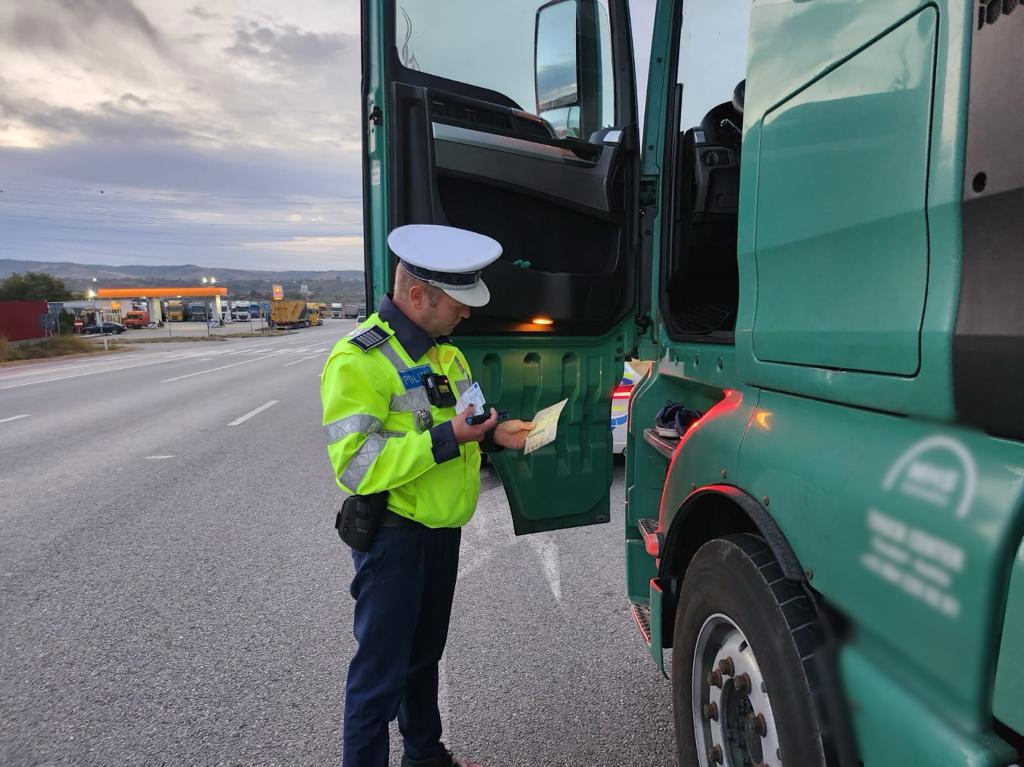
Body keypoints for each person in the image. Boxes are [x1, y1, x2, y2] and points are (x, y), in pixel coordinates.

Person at [321, 224, 534, 767]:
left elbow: (467, 423)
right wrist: (446, 438)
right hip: (393, 537)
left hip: (440, 532)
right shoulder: (358, 360)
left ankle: (424, 757)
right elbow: (356, 465)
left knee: (423, 660)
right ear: (418, 296)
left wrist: (497, 434)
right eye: (458, 303)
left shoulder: (448, 356)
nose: (466, 313)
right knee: (379, 678)